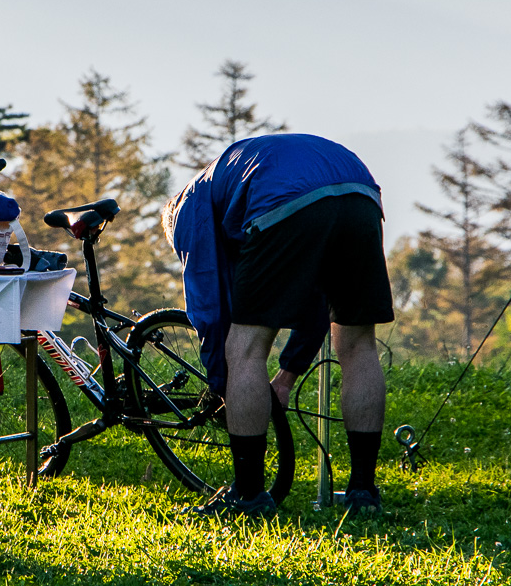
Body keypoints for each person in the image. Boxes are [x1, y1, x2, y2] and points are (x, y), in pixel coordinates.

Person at [162, 133, 394, 517]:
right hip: (360, 194)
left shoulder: (188, 207)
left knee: (245, 347)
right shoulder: (229, 176)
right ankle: (363, 493)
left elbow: (210, 306)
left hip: (284, 197)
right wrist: (285, 378)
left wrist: (223, 385)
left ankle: (249, 495)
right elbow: (317, 295)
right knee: (357, 344)